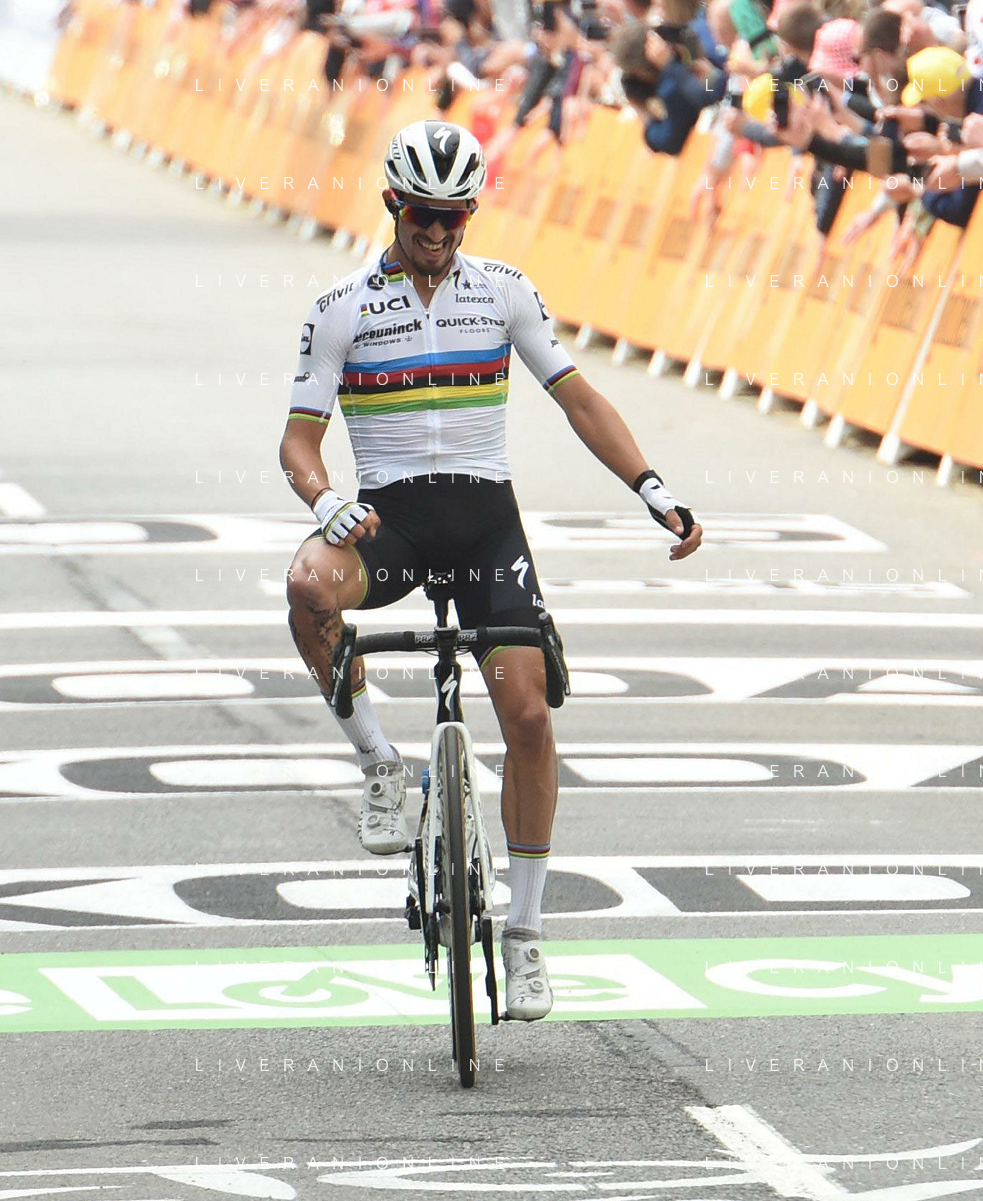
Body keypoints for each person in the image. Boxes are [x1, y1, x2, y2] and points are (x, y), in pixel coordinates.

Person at [278, 119, 703, 1021]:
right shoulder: (340, 308)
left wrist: (649, 485)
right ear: (392, 205)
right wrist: (325, 503)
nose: (438, 233)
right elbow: (298, 441)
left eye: (455, 217)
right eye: (423, 216)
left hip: (483, 532)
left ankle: (527, 933)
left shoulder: (504, 291)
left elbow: (578, 398)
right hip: (388, 525)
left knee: (528, 719)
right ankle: (381, 766)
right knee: (308, 585)